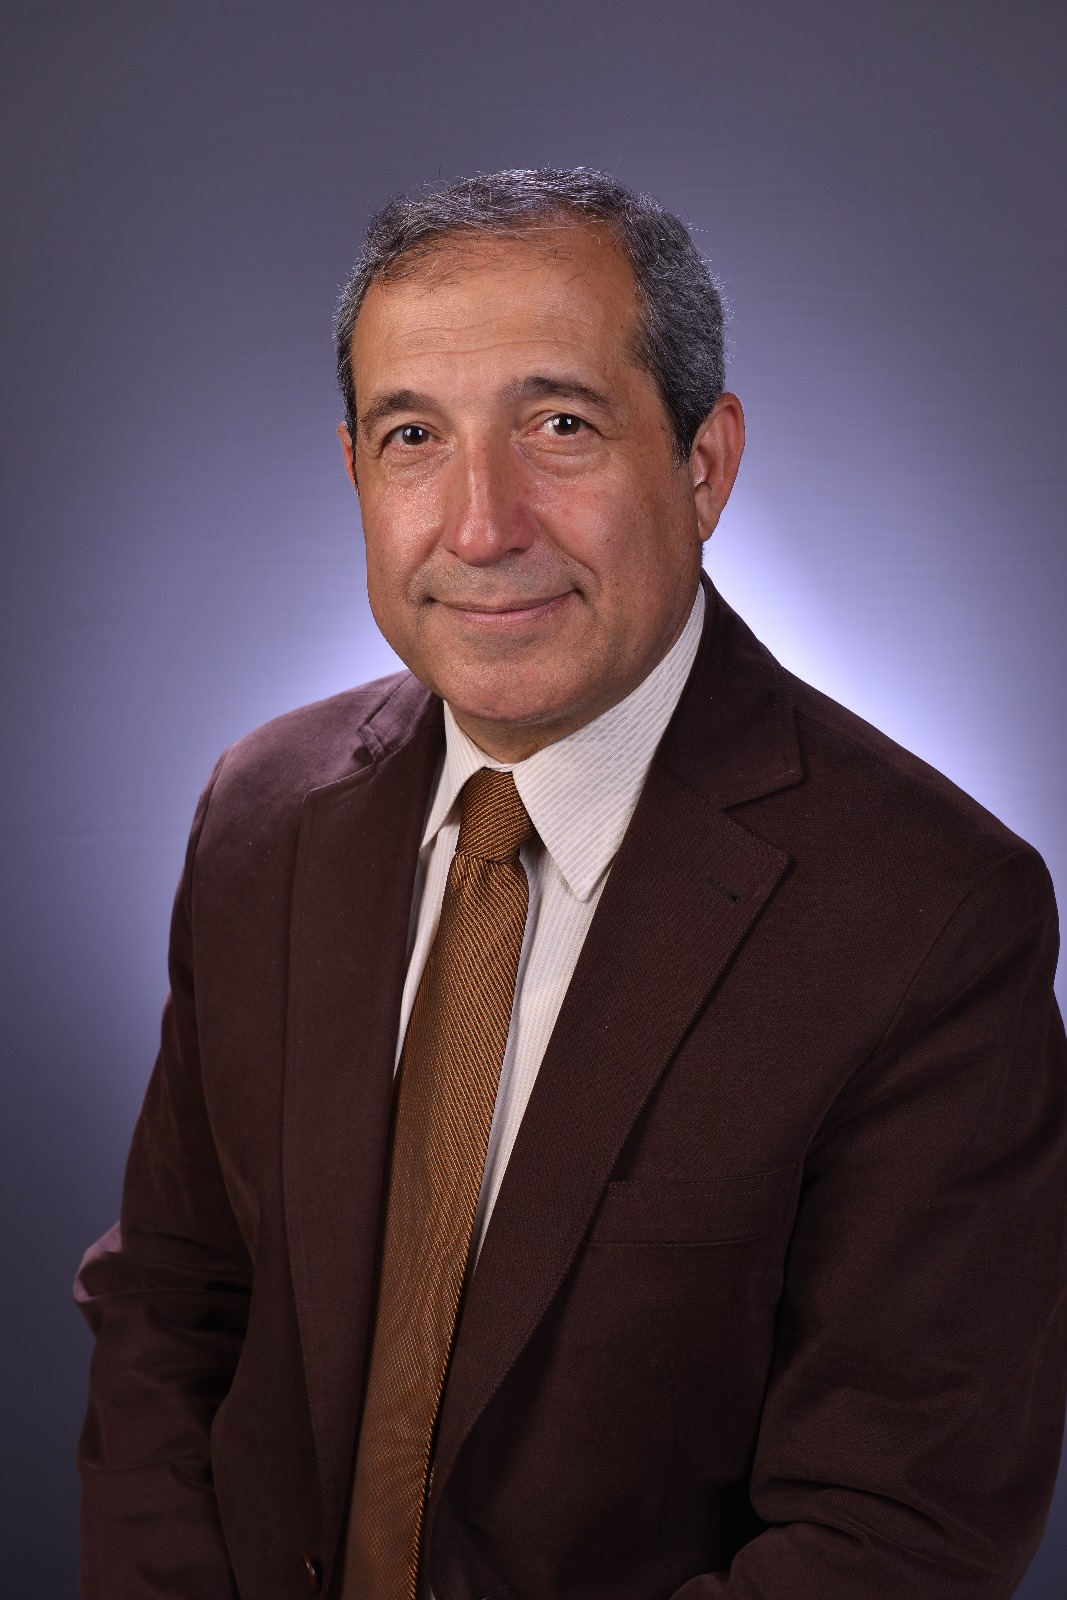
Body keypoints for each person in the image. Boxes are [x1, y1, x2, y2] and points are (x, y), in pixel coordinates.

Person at [75, 167, 1067, 1600]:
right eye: (415, 436)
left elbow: (896, 1530)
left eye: (560, 426)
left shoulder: (930, 914)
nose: (482, 527)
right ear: (354, 472)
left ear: (704, 463)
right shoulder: (261, 815)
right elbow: (171, 1304)